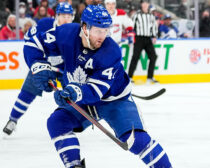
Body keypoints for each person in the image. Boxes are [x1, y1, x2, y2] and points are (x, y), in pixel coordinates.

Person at [23, 4, 172, 167]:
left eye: (105, 30)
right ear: (85, 28)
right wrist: (38, 66)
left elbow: (96, 90)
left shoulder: (111, 51)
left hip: (115, 100)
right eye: (98, 31)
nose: (103, 36)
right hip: (84, 97)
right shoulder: (66, 33)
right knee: (57, 122)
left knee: (137, 140)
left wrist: (72, 91)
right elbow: (33, 41)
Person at [2, 2, 74, 136]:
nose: (66, 18)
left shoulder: (76, 30)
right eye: (63, 15)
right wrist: (38, 61)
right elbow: (29, 39)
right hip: (44, 65)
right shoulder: (45, 24)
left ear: (73, 17)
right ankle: (13, 120)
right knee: (27, 92)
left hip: (65, 68)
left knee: (71, 94)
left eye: (68, 15)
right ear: (57, 16)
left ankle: (69, 121)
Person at [128, 1, 159, 84]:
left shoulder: (151, 16)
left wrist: (154, 36)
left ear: (148, 4)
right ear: (141, 4)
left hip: (148, 39)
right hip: (139, 38)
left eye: (146, 3)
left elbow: (153, 27)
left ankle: (150, 77)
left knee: (153, 56)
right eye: (143, 3)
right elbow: (132, 26)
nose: (145, 5)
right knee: (135, 57)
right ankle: (129, 77)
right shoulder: (137, 15)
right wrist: (130, 38)